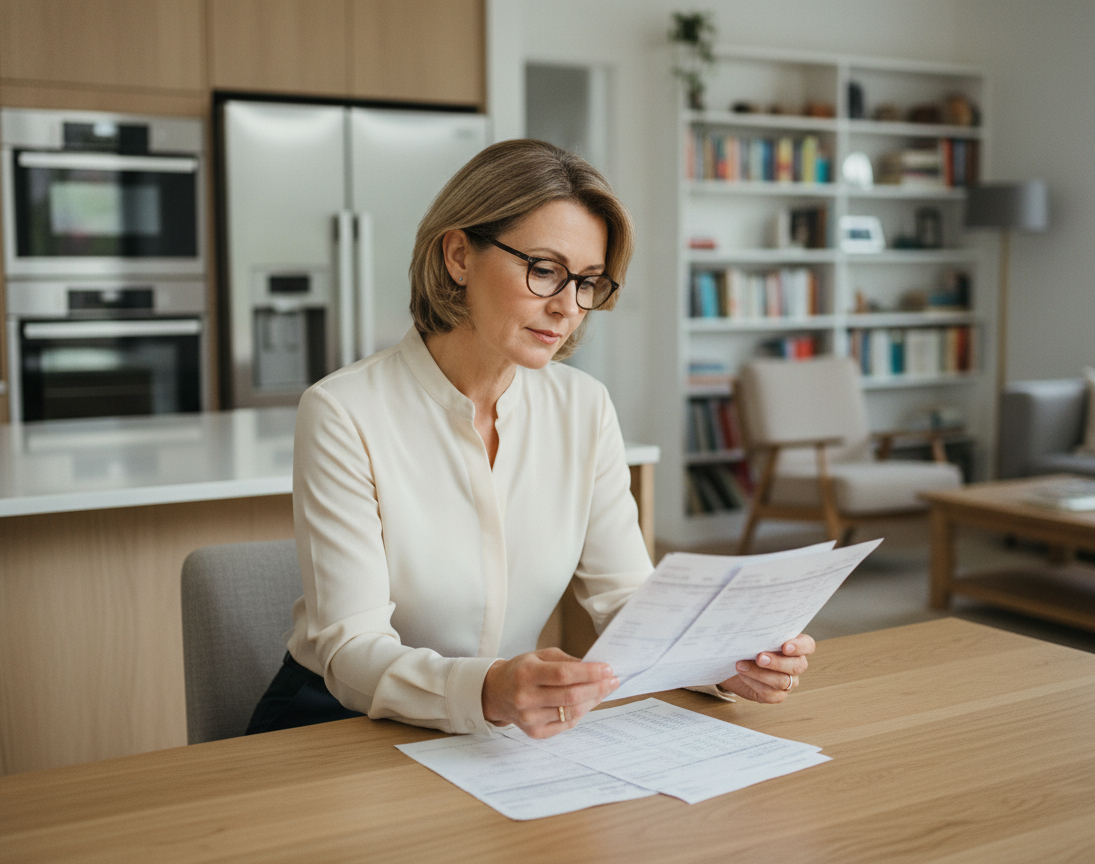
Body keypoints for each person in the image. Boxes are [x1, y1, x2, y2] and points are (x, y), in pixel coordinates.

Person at [247, 139, 815, 741]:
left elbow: (626, 599)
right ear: (459, 255)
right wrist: (488, 688)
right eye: (544, 270)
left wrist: (725, 661)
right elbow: (349, 648)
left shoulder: (583, 407)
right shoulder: (343, 411)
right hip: (337, 722)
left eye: (587, 282)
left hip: (498, 728)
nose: (568, 307)